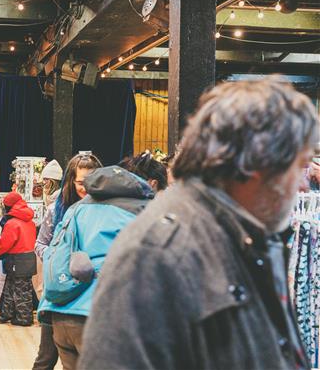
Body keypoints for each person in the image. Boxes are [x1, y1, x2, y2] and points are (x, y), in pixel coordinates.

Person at [79, 77, 319, 369]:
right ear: (258, 164)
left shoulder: (249, 237)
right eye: (300, 166)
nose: (304, 186)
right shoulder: (156, 253)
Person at [39, 165, 158, 370]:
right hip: (102, 318)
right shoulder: (143, 211)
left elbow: (54, 251)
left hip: (61, 313)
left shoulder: (76, 209)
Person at [33, 153, 102, 370]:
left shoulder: (104, 209)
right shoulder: (57, 209)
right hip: (58, 294)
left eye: (91, 182)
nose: (86, 188)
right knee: (46, 357)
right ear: (71, 181)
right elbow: (40, 244)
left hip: (89, 298)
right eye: (81, 182)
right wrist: (59, 259)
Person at [0, 192, 37, 326]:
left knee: (19, 290)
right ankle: (6, 313)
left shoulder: (12, 223)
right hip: (28, 258)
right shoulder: (30, 221)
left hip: (16, 260)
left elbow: (4, 244)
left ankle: (23, 318)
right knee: (14, 287)